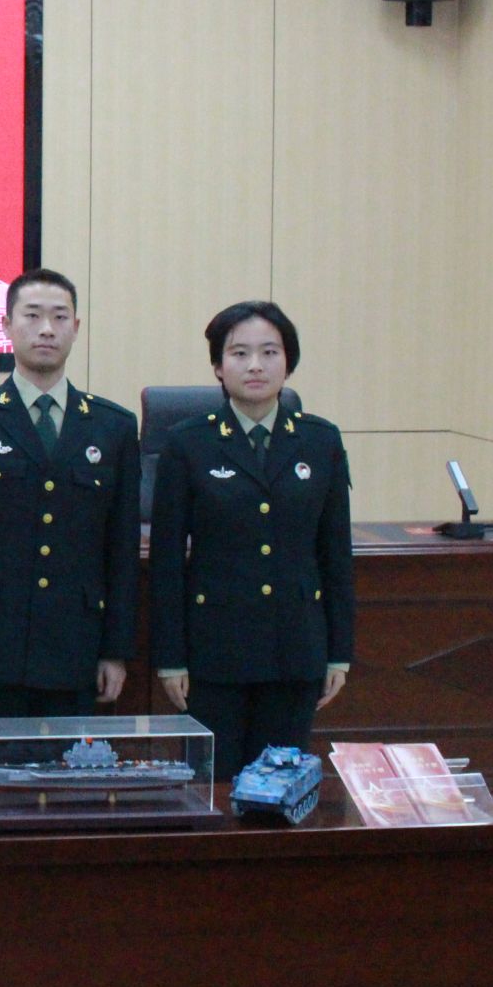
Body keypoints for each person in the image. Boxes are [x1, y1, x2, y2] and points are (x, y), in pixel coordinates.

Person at [149, 300, 355, 782]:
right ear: (218, 367)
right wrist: (170, 659)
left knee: (281, 789)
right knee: (214, 788)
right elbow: (166, 562)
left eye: (269, 352)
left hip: (295, 650)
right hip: (213, 652)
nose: (255, 365)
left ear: (289, 363)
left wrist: (339, 651)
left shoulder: (320, 441)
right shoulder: (188, 443)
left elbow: (335, 556)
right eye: (239, 353)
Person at [0, 267, 139, 718]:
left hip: (78, 645)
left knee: (74, 764)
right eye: (32, 315)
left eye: (60, 317)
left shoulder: (114, 427)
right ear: (6, 325)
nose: (47, 329)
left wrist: (116, 649)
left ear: (76, 328)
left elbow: (122, 549)